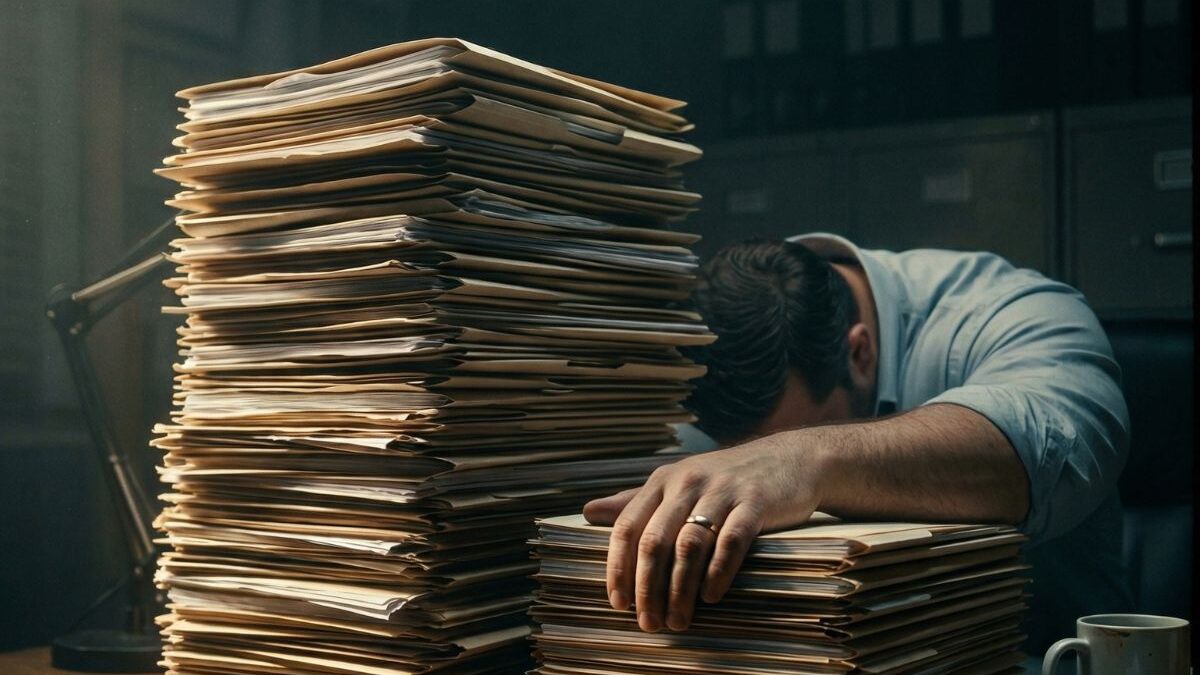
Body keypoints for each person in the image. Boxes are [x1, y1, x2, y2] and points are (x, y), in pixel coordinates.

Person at [582, 233, 1132, 653]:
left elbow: (1055, 446)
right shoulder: (735, 330)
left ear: (859, 352)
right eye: (737, 448)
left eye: (773, 442)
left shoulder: (1011, 311)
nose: (751, 469)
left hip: (1039, 657)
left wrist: (802, 458)